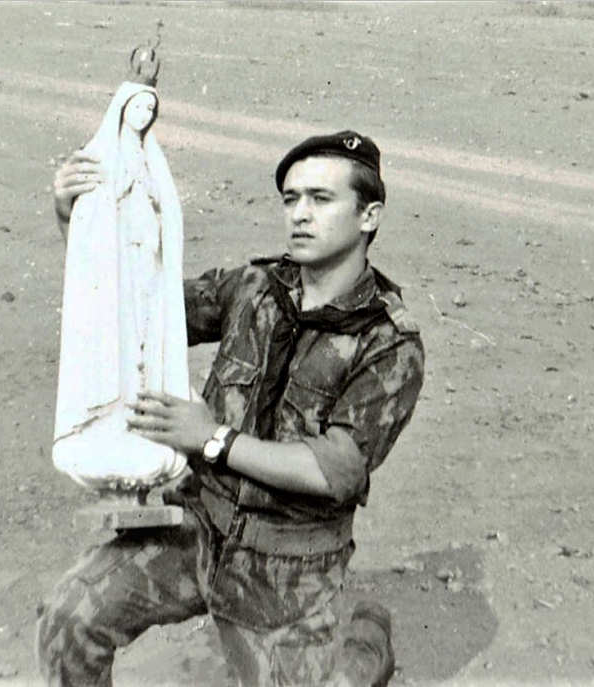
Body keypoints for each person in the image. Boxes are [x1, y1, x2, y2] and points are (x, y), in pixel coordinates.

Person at [37, 128, 425, 686]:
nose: (300, 214)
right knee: (68, 619)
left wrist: (214, 439)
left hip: (289, 567)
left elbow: (336, 470)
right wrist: (77, 218)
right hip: (196, 528)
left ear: (369, 216)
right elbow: (136, 305)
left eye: (321, 198)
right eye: (291, 199)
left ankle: (365, 637)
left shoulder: (389, 343)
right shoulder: (255, 287)